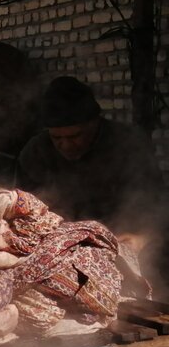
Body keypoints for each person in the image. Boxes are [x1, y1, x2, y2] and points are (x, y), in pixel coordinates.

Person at [18, 76, 163, 237]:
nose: (66, 145)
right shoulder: (36, 152)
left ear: (94, 123)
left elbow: (154, 203)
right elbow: (25, 210)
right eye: (57, 138)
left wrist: (141, 236)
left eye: (75, 136)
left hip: (122, 234)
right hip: (60, 239)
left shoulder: (129, 145)